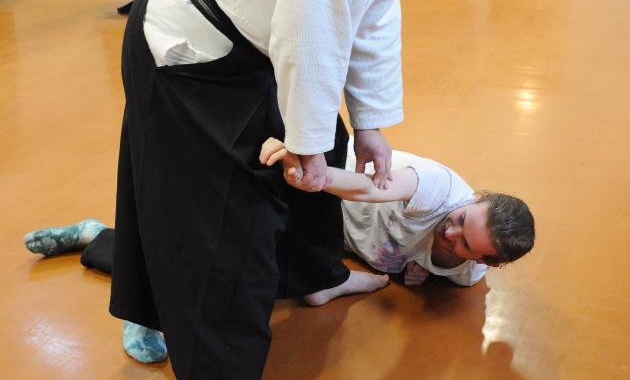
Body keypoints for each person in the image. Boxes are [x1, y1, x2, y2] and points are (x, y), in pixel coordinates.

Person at [111, 0, 471, 379]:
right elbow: (313, 34)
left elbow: (373, 19)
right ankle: (214, 359)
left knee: (326, 144)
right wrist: (304, 149)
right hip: (190, 46)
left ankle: (315, 276)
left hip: (251, 36)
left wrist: (372, 127)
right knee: (226, 219)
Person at [23, 138, 534, 363]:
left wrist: (417, 269)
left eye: (467, 245)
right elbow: (369, 190)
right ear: (476, 198)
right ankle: (133, 279)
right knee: (233, 262)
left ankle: (99, 238)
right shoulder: (439, 188)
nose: (452, 235)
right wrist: (313, 171)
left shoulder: (465, 273)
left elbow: (432, 259)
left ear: (486, 263)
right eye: (463, 221)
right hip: (326, 194)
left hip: (333, 243)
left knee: (263, 284)